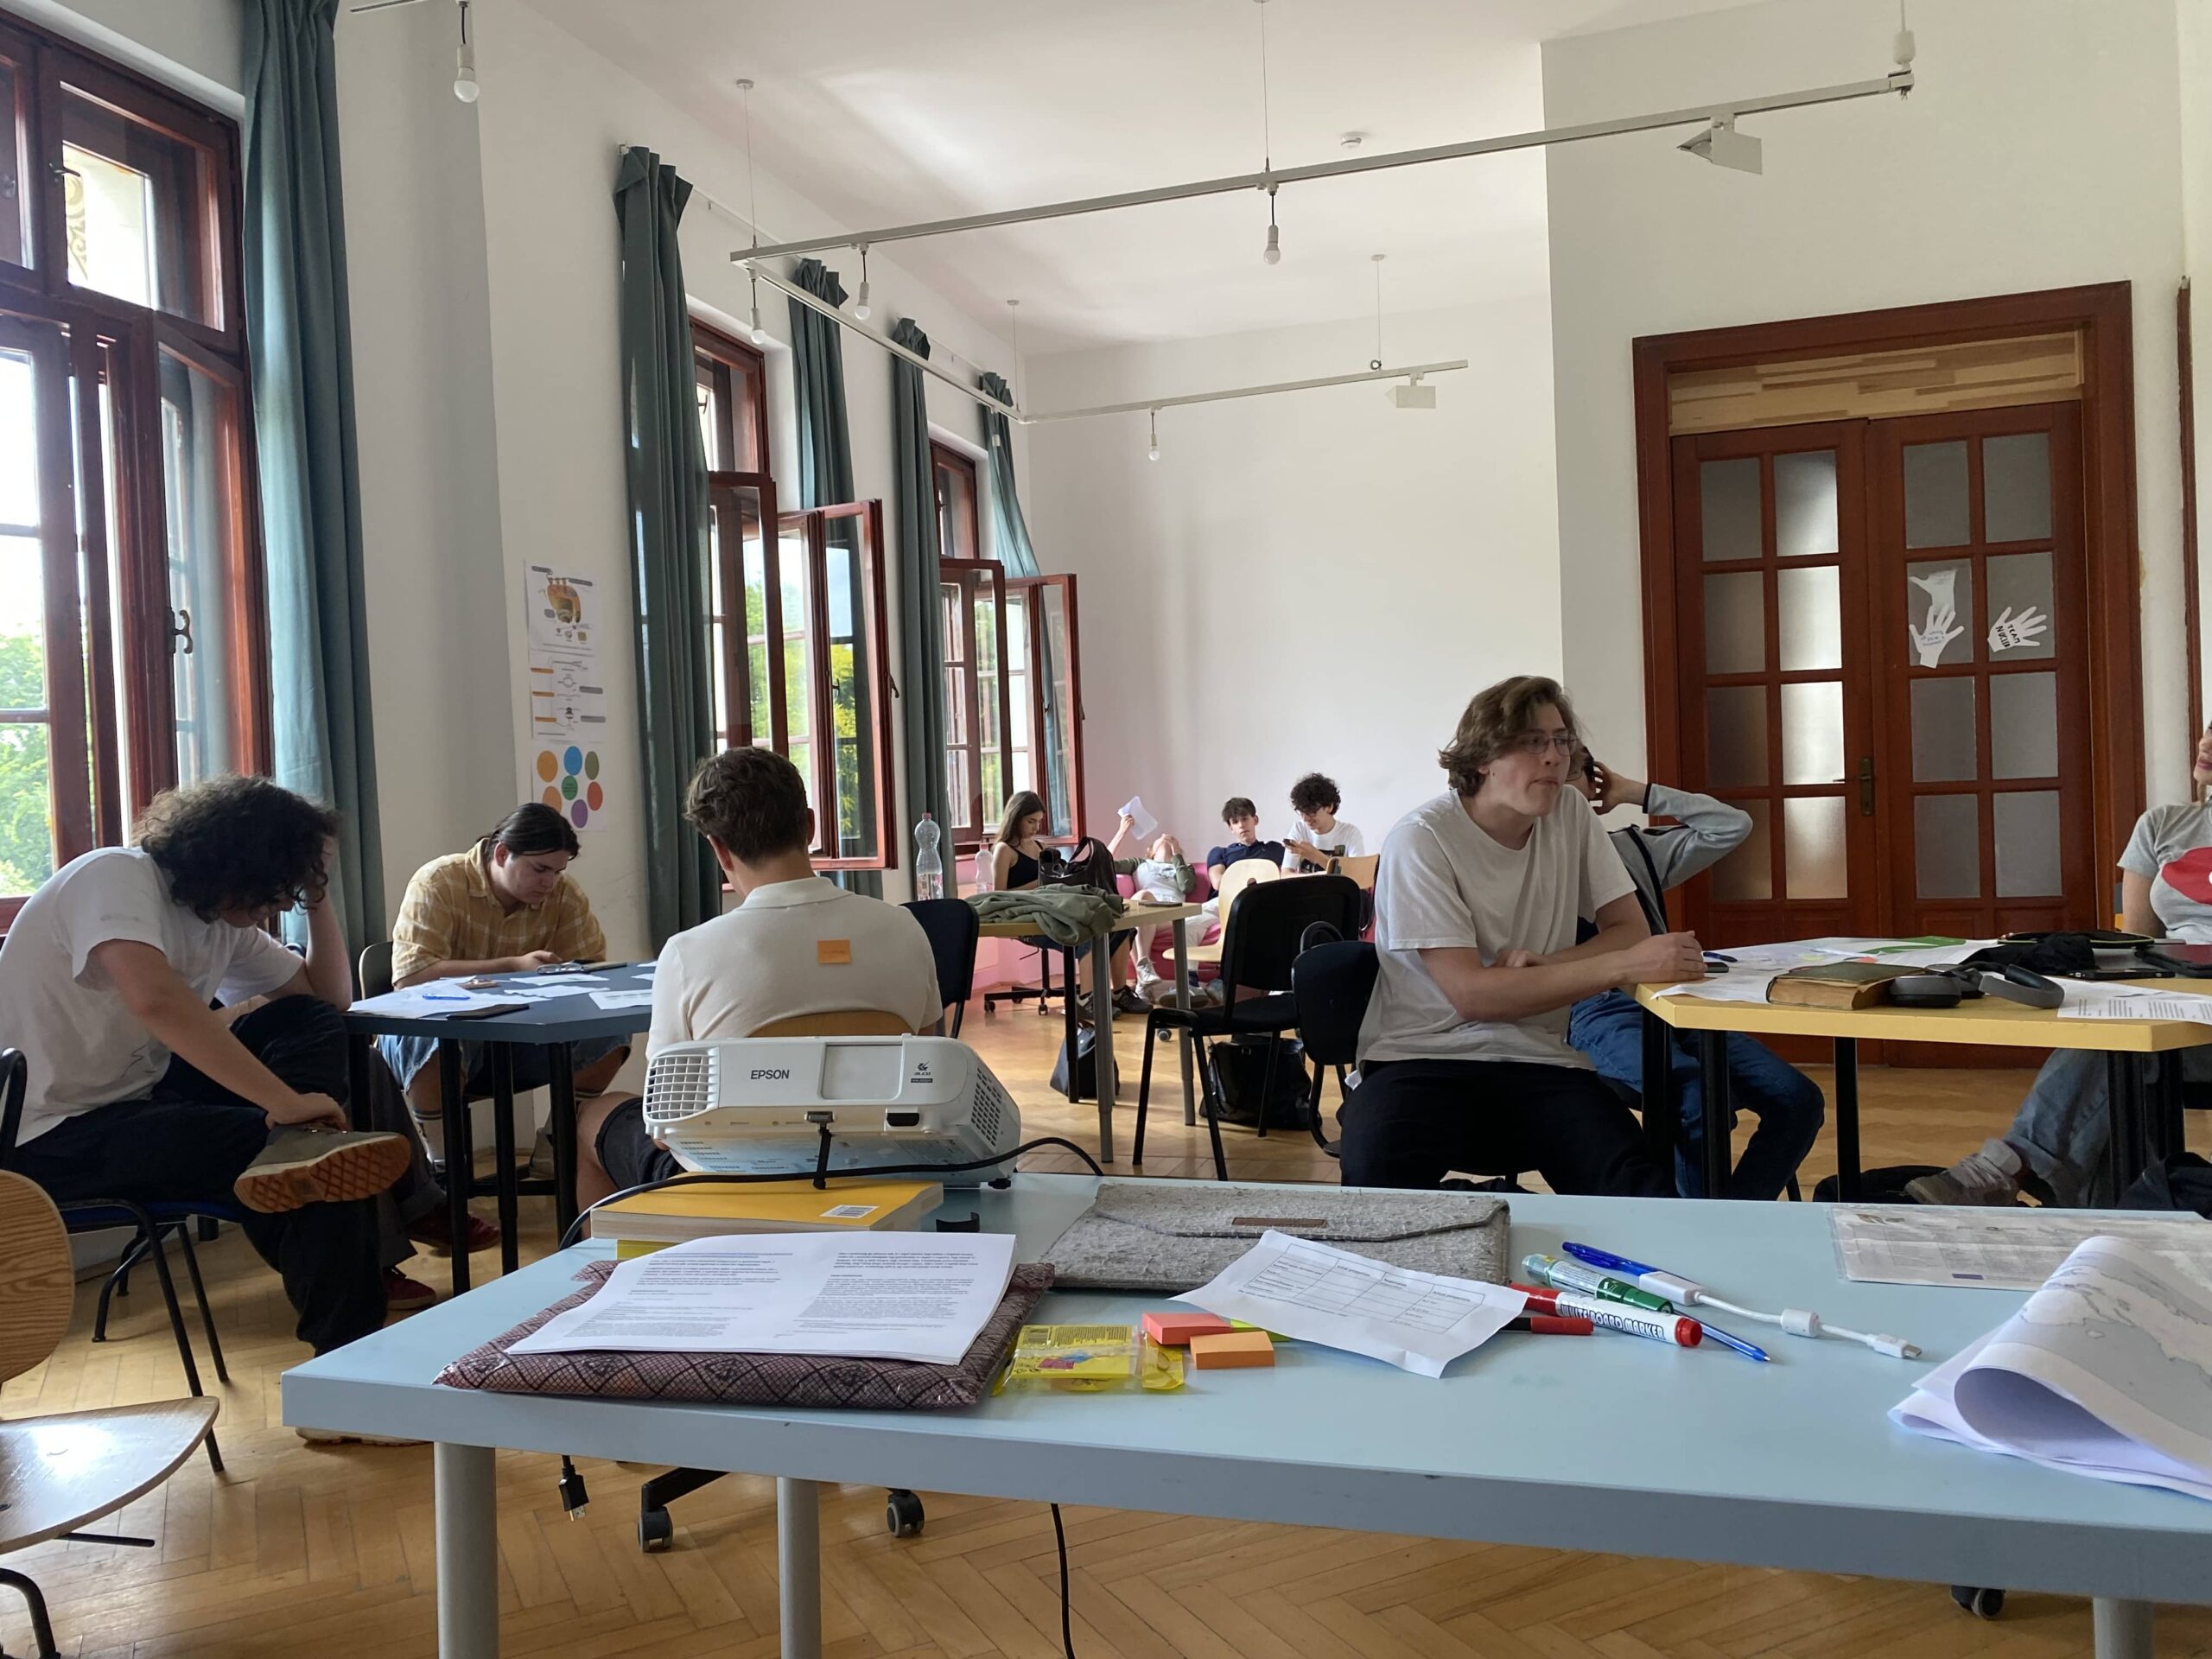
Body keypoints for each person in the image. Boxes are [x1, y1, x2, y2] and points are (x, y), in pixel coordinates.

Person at [0, 776, 411, 1380]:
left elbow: (328, 1000)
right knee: (309, 1167)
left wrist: (319, 896)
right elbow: (156, 1000)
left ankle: (295, 1149)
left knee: (309, 1034)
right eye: (278, 887)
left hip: (135, 1097)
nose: (280, 906)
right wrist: (283, 1102)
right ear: (237, 861)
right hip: (46, 1134)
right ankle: (350, 1372)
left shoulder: (221, 924)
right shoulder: (115, 876)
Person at [1338, 676, 1703, 1196]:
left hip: (1540, 1057)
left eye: (1561, 740)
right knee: (1377, 1185)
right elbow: (1474, 996)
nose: (1554, 757)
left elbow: (1629, 930)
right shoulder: (1422, 838)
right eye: (1533, 742)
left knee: (1638, 1191)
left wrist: (1547, 965)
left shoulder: (1569, 813)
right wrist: (1622, 966)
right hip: (1420, 1057)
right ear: (1483, 757)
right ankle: (1484, 1219)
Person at [581, 747, 941, 1205]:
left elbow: (665, 1127)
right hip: (885, 1168)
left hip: (737, 1183)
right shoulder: (904, 928)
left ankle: (626, 1251)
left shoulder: (688, 952)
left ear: (718, 848)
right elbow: (929, 1068)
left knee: (593, 1116)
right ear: (809, 826)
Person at [1908, 722, 2212, 1207]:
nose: (2206, 743)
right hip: (2174, 1000)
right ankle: (2108, 1218)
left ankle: (2010, 1169)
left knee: (2119, 1047)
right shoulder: (2162, 824)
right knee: (2118, 1038)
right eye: (2209, 729)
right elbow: (2139, 948)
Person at [1563, 750, 1824, 1199]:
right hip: (1594, 1005)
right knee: (1696, 1101)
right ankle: (1708, 1222)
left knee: (1798, 1099)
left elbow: (1731, 825)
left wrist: (1637, 792)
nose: (1561, 790)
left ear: (1592, 787)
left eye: (1572, 776)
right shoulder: (1527, 865)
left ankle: (1732, 1219)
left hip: (1672, 997)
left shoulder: (1633, 850)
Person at [380, 804, 630, 1135]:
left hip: (516, 1037)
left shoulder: (563, 894)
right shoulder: (439, 882)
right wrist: (513, 966)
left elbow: (593, 970)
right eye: (540, 869)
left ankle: (558, 1143)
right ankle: (441, 1159)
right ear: (501, 854)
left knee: (609, 1031)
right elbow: (410, 978)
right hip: (438, 1036)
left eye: (558, 872)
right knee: (431, 1036)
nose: (550, 882)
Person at [989, 791, 1142, 1014]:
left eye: (1038, 822)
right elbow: (999, 897)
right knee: (1086, 934)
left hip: (1054, 911)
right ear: (1016, 817)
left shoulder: (1040, 847)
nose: (1035, 827)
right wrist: (1040, 883)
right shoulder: (1004, 850)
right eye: (1031, 821)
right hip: (1026, 918)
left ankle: (1119, 993)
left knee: (1120, 929)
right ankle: (1086, 999)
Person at [1281, 773, 1364, 874]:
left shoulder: (1350, 833)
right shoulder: (1299, 828)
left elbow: (1357, 875)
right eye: (1302, 812)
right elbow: (1286, 874)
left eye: (1311, 811)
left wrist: (1316, 856)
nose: (1305, 818)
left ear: (1329, 807)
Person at [1206, 798, 1287, 891]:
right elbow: (1218, 883)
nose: (1241, 825)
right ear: (1231, 828)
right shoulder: (1219, 853)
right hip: (1230, 897)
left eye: (1244, 819)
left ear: (1255, 820)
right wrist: (1258, 879)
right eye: (1235, 822)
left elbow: (1287, 875)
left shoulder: (1274, 849)